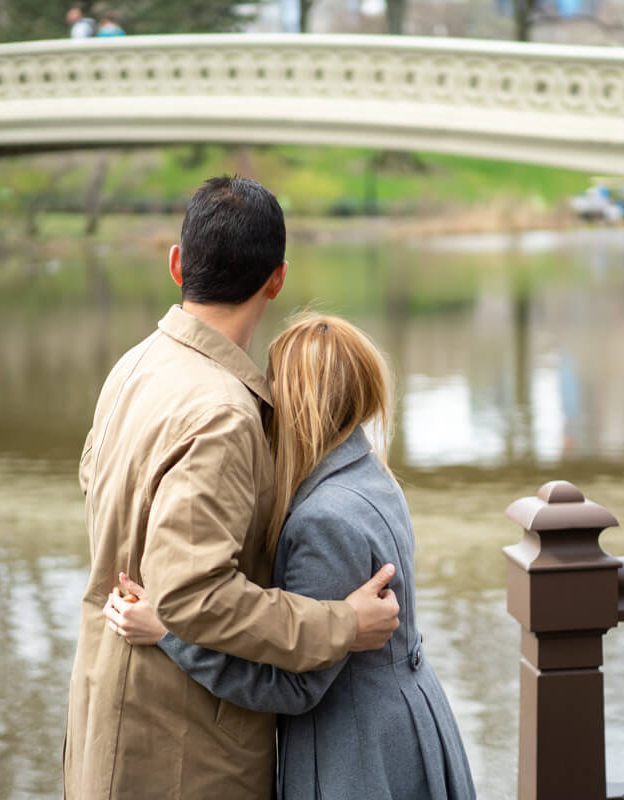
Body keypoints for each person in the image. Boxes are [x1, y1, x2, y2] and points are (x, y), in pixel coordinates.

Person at [63, 178, 402, 800]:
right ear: (277, 279)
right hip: (182, 750)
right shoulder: (222, 410)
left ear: (176, 266)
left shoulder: (134, 366)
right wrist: (341, 624)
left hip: (103, 710)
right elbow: (192, 595)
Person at [105, 314, 477, 800]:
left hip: (355, 753)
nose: (265, 393)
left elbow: (293, 688)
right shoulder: (369, 473)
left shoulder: (324, 519)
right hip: (403, 720)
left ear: (300, 401)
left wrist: (169, 632)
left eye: (274, 379)